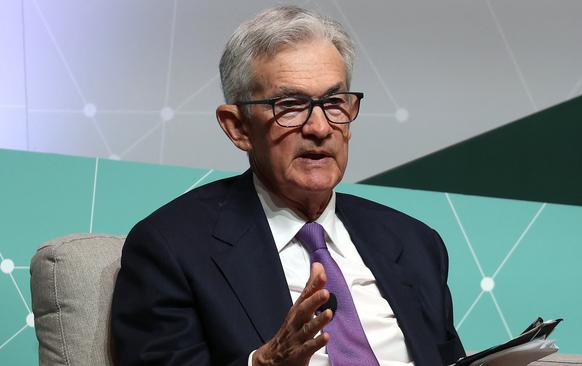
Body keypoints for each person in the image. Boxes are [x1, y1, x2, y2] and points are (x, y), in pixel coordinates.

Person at [111, 6, 465, 366]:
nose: (320, 128)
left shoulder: (414, 242)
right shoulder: (172, 247)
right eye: (290, 106)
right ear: (238, 127)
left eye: (333, 103)